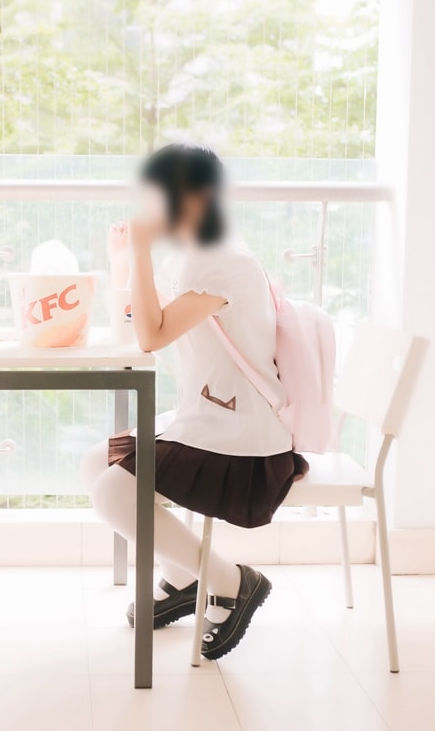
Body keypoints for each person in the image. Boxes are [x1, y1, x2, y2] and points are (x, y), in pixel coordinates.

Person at [81, 143, 308, 660]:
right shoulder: (190, 255)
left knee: (112, 491)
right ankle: (184, 578)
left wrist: (139, 256)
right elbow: (138, 324)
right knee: (96, 464)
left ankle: (232, 583)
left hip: (244, 442)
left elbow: (150, 337)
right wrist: (124, 262)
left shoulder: (222, 260)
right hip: (208, 420)